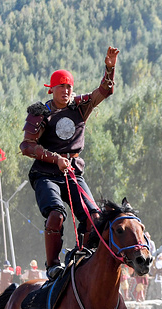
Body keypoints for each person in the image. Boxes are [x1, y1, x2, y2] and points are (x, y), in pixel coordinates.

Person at [19, 46, 120, 281]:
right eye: (61, 86)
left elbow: (105, 90)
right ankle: (53, 265)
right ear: (51, 88)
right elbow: (27, 146)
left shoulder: (80, 106)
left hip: (73, 172)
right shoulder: (40, 113)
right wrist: (55, 158)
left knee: (93, 216)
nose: (65, 90)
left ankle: (82, 255)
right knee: (56, 214)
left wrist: (110, 67)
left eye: (69, 86)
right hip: (45, 173)